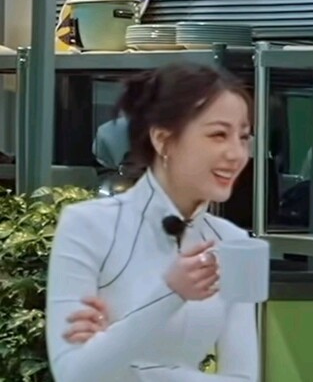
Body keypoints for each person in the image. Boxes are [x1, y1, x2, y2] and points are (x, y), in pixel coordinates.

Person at [45, 63, 259, 382]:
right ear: (162, 139)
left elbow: (244, 379)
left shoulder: (237, 244)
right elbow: (73, 374)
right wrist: (171, 293)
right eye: (218, 135)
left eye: (243, 137)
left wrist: (126, 363)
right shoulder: (85, 225)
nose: (236, 154)